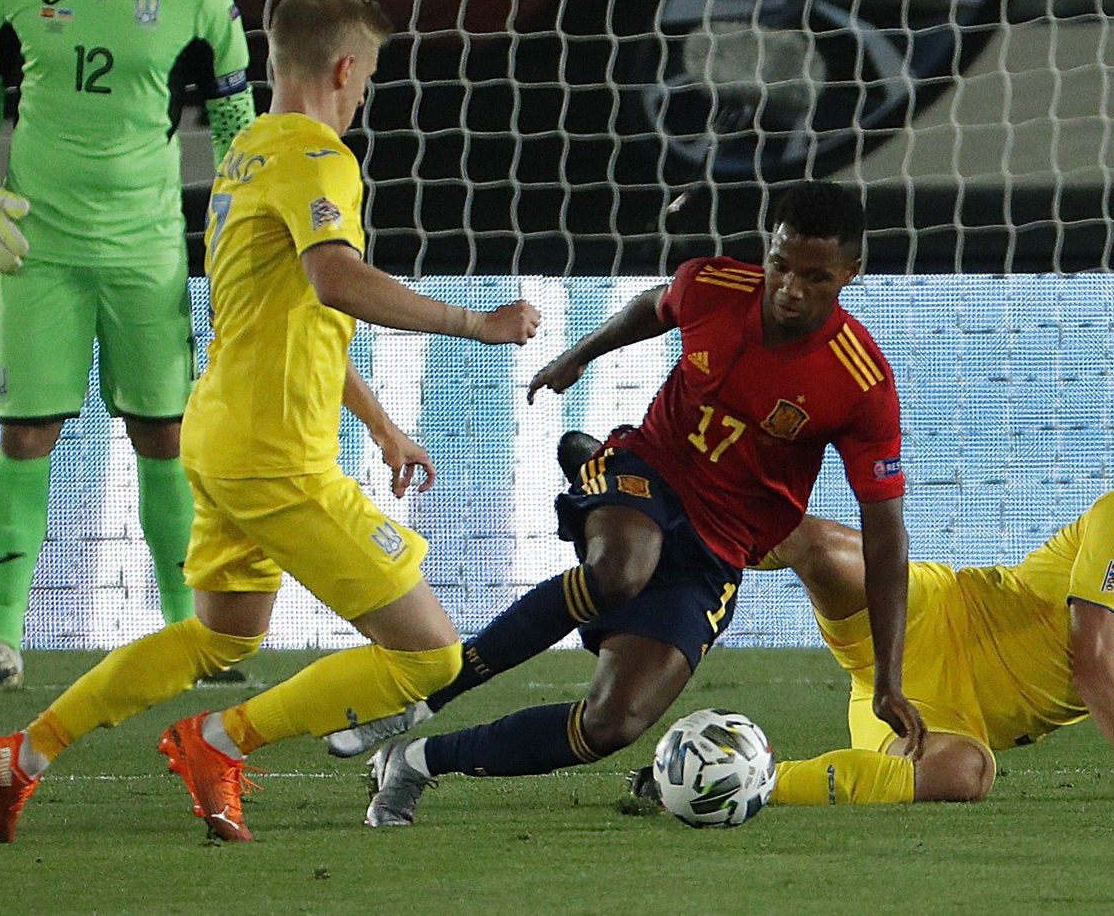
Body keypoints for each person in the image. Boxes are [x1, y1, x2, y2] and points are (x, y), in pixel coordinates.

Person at [0, 0, 541, 843]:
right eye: (367, 74)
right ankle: (219, 742)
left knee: (220, 634)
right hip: (276, 455)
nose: (364, 90)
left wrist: (379, 423)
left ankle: (23, 752)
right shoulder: (318, 156)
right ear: (344, 68)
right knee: (429, 653)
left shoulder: (245, 156)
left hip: (220, 432)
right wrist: (474, 323)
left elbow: (291, 313)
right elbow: (335, 279)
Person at [362, 180, 927, 826]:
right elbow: (651, 308)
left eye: (815, 276)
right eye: (780, 264)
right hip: (649, 466)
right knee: (622, 568)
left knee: (613, 722)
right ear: (768, 249)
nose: (789, 288)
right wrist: (579, 356)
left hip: (720, 544)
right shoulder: (714, 283)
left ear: (851, 273)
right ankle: (432, 692)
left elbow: (886, 534)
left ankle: (415, 761)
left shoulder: (861, 383)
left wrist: (889, 679)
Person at [0, 0, 258, 687]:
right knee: (25, 431)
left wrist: (239, 217)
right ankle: (2, 640)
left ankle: (187, 634)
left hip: (146, 246)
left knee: (165, 433)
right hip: (39, 244)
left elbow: (234, 116)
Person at [688, 449, 1114, 807]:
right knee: (814, 544)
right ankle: (668, 537)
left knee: (964, 774)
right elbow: (1096, 665)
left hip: (935, 716)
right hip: (933, 614)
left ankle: (750, 783)